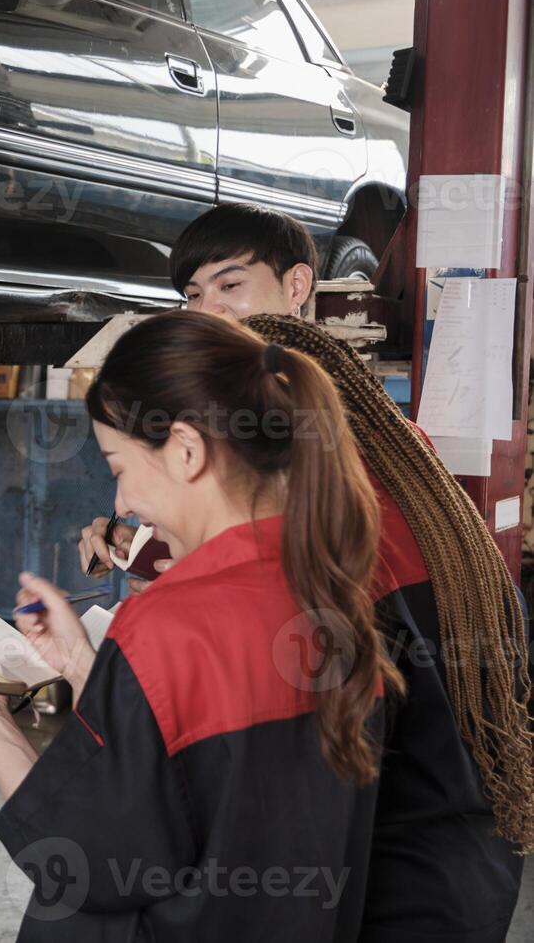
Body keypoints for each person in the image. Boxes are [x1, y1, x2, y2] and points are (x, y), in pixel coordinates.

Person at [80, 203, 534, 940]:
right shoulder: (390, 435)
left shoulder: (299, 462)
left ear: (298, 285)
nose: (210, 311)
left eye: (230, 285)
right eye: (193, 296)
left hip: (388, 858)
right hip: (459, 825)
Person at [0, 309, 400, 940]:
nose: (122, 504)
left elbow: (75, 862)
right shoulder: (334, 597)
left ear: (186, 450)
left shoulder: (166, 623)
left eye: (120, 468)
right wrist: (85, 667)